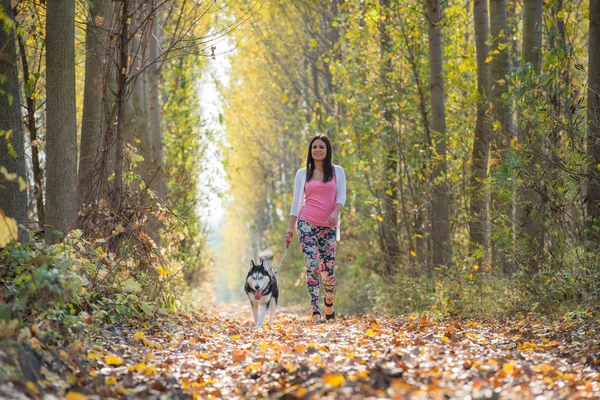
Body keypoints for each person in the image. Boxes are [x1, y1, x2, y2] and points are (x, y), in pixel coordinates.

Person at [285, 134, 346, 324]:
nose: (317, 150)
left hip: (328, 226)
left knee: (327, 271)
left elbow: (341, 196)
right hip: (306, 222)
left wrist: (335, 213)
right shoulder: (303, 173)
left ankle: (329, 303)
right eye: (314, 147)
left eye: (321, 147)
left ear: (327, 150)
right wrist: (290, 228)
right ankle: (315, 310)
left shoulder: (338, 172)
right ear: (310, 151)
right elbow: (296, 201)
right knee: (312, 264)